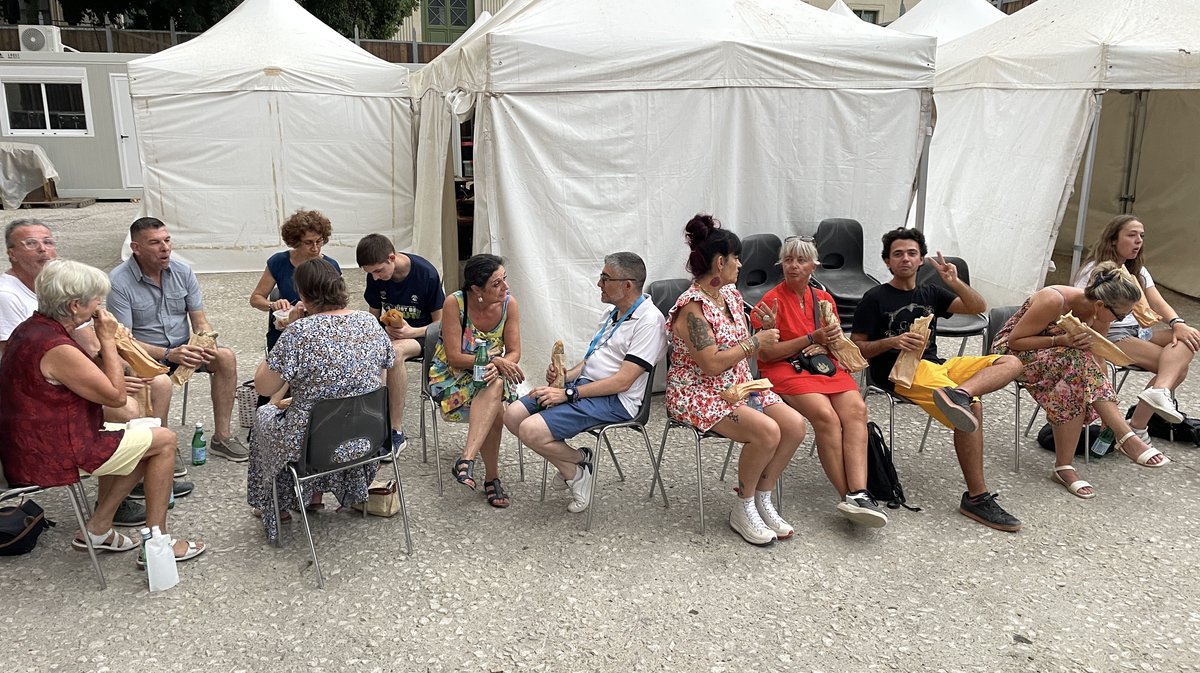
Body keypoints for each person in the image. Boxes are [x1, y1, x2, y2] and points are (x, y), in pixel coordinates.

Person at [0, 259, 203, 564]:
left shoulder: (32, 328)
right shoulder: (56, 346)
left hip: (33, 441)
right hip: (50, 451)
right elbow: (116, 397)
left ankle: (97, 528)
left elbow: (82, 385)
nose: (101, 305)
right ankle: (158, 544)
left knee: (139, 435)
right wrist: (107, 339)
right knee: (164, 439)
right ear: (74, 306)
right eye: (96, 299)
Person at [851, 227, 1024, 532]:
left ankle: (959, 393)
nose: (905, 258)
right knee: (973, 409)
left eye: (912, 253)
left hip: (937, 367)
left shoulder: (931, 293)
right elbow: (856, 347)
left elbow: (976, 307)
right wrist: (891, 343)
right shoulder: (874, 297)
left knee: (1010, 361)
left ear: (920, 260)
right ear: (888, 262)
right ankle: (977, 497)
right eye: (898, 254)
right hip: (899, 373)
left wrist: (954, 281)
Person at [666, 215, 805, 546]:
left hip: (737, 386)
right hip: (698, 393)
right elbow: (712, 364)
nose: (741, 264)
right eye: (736, 258)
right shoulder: (692, 309)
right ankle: (743, 506)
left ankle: (762, 497)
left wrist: (759, 329)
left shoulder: (729, 295)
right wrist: (757, 342)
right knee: (768, 432)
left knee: (795, 426)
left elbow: (736, 344)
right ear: (719, 262)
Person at [503, 252, 667, 514]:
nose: (599, 284)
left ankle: (576, 472)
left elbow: (623, 382)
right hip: (584, 387)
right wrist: (564, 376)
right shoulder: (612, 312)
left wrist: (568, 393)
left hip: (617, 401)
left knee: (531, 431)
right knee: (512, 415)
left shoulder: (649, 321)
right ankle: (577, 465)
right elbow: (592, 360)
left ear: (627, 285)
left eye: (605, 278)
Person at [246, 258, 394, 542]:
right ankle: (313, 495)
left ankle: (278, 505)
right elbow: (384, 373)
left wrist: (289, 328)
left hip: (314, 447)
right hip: (367, 436)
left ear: (303, 295)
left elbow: (263, 385)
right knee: (321, 414)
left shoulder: (299, 333)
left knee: (265, 417)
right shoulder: (368, 322)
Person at [995, 263, 1170, 498]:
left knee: (1076, 374)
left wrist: (1108, 402)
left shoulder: (1102, 315)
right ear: (1100, 304)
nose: (1121, 319)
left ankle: (1070, 463)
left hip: (1066, 359)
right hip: (1013, 353)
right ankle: (1124, 435)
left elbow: (1098, 356)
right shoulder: (1054, 300)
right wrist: (1061, 341)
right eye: (1120, 315)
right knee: (1076, 362)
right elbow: (1015, 341)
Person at [752, 236, 886, 527]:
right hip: (785, 369)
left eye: (800, 260)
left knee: (857, 412)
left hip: (822, 367)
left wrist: (827, 344)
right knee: (826, 417)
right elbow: (766, 353)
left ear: (813, 266)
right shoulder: (769, 302)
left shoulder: (824, 299)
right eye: (788, 260)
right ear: (781, 264)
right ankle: (847, 496)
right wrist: (811, 339)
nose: (793, 266)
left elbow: (834, 341)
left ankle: (860, 494)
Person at [107, 217, 248, 462]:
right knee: (160, 380)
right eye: (155, 243)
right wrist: (167, 354)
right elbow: (123, 341)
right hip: (145, 356)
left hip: (184, 349)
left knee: (225, 357)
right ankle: (163, 446)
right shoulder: (118, 282)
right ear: (136, 248)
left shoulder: (182, 271)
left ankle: (221, 437)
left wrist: (205, 341)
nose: (165, 248)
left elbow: (200, 320)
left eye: (167, 240)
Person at [1074, 215, 1199, 440]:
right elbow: (1082, 308)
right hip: (1111, 334)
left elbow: (1157, 301)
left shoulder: (1137, 270)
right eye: (1131, 235)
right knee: (1178, 368)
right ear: (1113, 239)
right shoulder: (1096, 271)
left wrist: (1178, 324)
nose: (1138, 241)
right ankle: (1139, 424)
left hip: (1139, 332)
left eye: (1141, 236)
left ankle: (1154, 397)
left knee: (1187, 338)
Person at [429, 254, 523, 509]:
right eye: (496, 284)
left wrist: (497, 364)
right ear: (476, 290)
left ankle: (466, 460)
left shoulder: (508, 304)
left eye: (504, 280)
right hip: (453, 376)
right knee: (496, 402)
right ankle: (492, 479)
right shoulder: (455, 303)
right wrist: (496, 360)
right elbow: (454, 357)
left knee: (495, 386)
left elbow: (514, 352)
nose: (505, 287)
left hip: (492, 376)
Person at [356, 233, 445, 455]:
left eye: (378, 271)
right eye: (370, 273)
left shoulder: (426, 274)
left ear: (391, 258)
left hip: (424, 335)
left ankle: (395, 431)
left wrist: (410, 331)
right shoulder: (376, 277)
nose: (375, 278)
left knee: (393, 353)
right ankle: (372, 423)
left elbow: (442, 324)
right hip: (393, 334)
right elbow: (373, 318)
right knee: (366, 351)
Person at [249, 209, 342, 351]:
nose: (315, 248)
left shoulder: (331, 266)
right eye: (308, 243)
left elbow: (339, 304)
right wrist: (273, 305)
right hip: (286, 328)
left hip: (320, 330)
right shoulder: (279, 262)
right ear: (295, 242)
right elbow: (255, 298)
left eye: (319, 241)